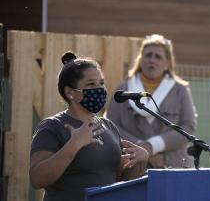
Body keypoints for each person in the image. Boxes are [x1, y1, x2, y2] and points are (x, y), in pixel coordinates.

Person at [29, 52, 149, 201]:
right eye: (91, 84)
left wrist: (139, 161)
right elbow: (37, 178)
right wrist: (74, 144)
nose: (100, 89)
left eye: (101, 83)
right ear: (70, 92)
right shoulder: (53, 126)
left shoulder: (109, 127)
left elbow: (119, 182)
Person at [106, 34, 197, 168]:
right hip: (133, 166)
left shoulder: (180, 90)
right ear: (140, 59)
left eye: (158, 56)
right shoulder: (123, 88)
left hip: (173, 165)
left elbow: (188, 127)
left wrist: (152, 146)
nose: (152, 60)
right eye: (148, 55)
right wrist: (141, 148)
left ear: (167, 64)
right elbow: (110, 125)